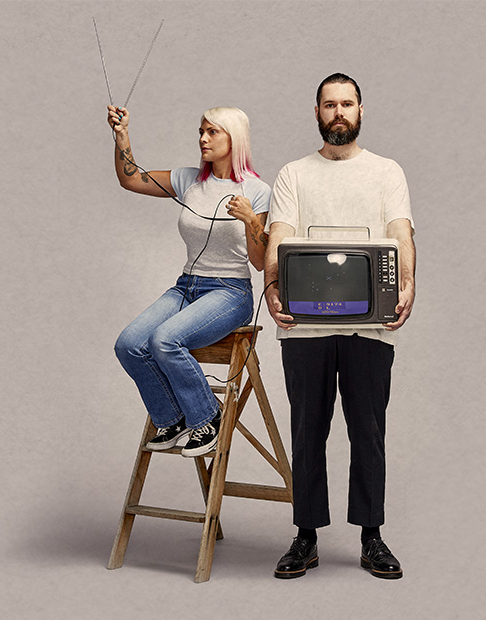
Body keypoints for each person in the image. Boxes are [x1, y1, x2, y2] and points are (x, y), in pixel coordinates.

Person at [263, 73, 416, 580]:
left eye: (346, 103)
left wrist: (408, 281)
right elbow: (278, 237)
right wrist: (271, 287)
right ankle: (305, 536)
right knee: (308, 431)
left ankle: (371, 536)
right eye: (329, 105)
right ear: (317, 113)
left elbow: (400, 231)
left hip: (370, 326)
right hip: (303, 326)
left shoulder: (387, 171)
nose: (338, 113)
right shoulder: (293, 174)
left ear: (361, 109)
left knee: (368, 431)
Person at [108, 104, 271, 457]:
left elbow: (259, 262)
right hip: (188, 286)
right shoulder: (188, 181)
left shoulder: (257, 191)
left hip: (230, 291)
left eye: (213, 132)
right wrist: (122, 136)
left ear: (234, 138)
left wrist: (250, 221)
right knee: (129, 344)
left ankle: (208, 417)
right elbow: (130, 178)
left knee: (165, 340)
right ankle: (174, 417)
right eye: (201, 131)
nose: (203, 138)